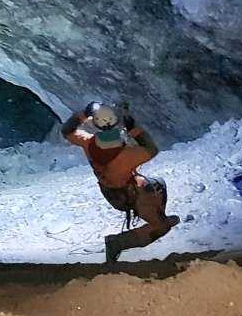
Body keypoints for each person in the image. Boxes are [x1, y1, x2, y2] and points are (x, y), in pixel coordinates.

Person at [61, 100, 180, 263]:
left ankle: (157, 216)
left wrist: (85, 112)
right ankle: (118, 242)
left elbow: (67, 130)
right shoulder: (127, 155)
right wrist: (133, 127)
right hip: (128, 195)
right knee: (160, 219)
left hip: (110, 191)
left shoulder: (89, 143)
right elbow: (152, 149)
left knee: (156, 183)